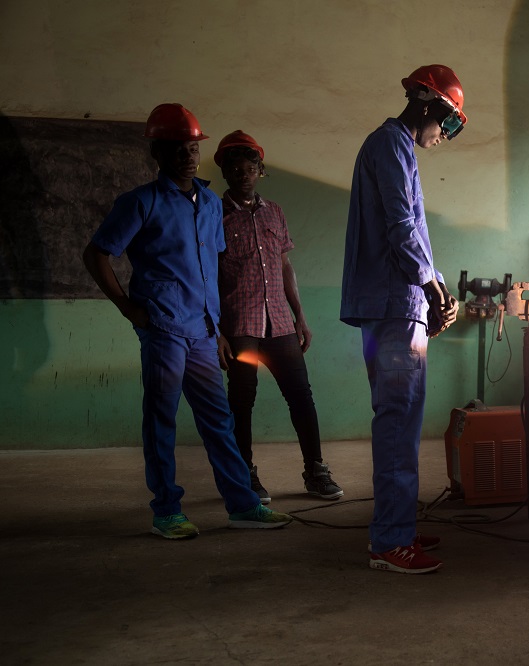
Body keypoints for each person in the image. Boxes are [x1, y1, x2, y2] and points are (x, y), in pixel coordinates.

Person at [82, 103, 293, 539]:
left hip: (201, 332)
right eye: (176, 148)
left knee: (218, 418)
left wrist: (215, 330)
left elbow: (210, 270)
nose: (187, 155)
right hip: (162, 327)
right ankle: (167, 511)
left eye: (192, 146)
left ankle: (242, 505)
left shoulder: (212, 203)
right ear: (157, 153)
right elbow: (97, 253)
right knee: (161, 418)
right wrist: (127, 307)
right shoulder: (141, 202)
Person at [340, 65, 464, 574]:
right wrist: (432, 287)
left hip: (399, 305)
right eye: (449, 124)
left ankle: (400, 527)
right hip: (394, 306)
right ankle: (389, 541)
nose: (445, 136)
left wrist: (434, 288)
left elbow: (409, 231)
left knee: (405, 422)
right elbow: (400, 226)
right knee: (396, 423)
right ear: (430, 105)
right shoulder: (390, 145)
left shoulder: (395, 149)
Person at [213, 130, 344, 504]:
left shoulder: (275, 212)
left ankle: (316, 471)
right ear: (226, 172)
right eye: (235, 168)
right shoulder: (214, 216)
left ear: (260, 170)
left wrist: (300, 316)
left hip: (281, 324)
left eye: (250, 167)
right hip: (240, 327)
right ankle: (244, 475)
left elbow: (285, 265)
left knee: (301, 396)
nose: (243, 173)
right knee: (241, 400)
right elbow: (206, 273)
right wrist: (216, 332)